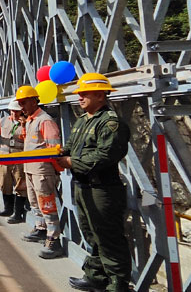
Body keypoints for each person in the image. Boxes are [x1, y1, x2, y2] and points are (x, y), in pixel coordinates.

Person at [55, 73, 131, 292]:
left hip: (103, 189)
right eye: (78, 93)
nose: (79, 97)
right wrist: (59, 152)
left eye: (83, 93)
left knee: (108, 237)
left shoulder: (110, 123)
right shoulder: (83, 120)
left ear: (100, 95)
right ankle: (95, 277)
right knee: (91, 234)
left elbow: (106, 155)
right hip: (84, 186)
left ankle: (117, 285)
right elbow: (71, 146)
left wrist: (71, 161)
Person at [16, 85, 63, 259]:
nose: (21, 106)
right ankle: (41, 229)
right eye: (20, 103)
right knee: (35, 201)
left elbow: (54, 147)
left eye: (24, 102)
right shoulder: (30, 121)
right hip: (30, 168)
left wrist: (56, 169)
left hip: (42, 169)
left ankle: (54, 239)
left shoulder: (45, 120)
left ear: (35, 100)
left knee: (47, 204)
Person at [0, 99, 27, 223]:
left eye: (16, 111)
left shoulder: (26, 122)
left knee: (20, 185)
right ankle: (8, 209)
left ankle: (18, 213)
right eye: (12, 111)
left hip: (19, 158)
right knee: (5, 183)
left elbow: (31, 138)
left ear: (21, 110)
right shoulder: (4, 120)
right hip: (4, 157)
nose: (14, 113)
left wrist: (25, 126)